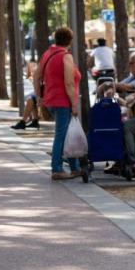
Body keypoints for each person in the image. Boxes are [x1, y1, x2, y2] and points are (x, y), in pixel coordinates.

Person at [35, 27, 81, 180]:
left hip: (50, 100)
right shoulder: (66, 57)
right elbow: (69, 83)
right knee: (61, 135)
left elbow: (36, 76)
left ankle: (75, 168)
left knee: (67, 133)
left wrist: (39, 96)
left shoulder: (47, 54)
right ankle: (57, 168)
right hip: (63, 101)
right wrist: (74, 104)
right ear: (70, 40)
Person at [11, 61, 41, 130]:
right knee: (30, 99)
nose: (32, 68)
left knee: (30, 100)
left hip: (46, 95)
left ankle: (23, 122)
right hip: (42, 94)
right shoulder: (33, 76)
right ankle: (34, 121)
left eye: (34, 66)